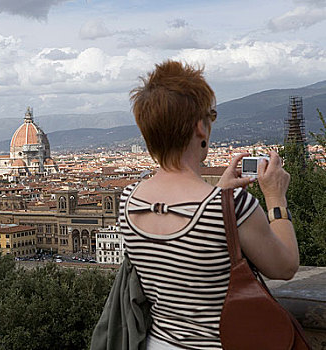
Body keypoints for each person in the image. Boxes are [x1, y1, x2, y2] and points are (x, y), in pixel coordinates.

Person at [122, 60, 299, 350]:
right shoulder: (232, 205)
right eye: (211, 116)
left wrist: (218, 193)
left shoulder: (129, 200)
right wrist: (276, 199)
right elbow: (285, 267)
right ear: (200, 128)